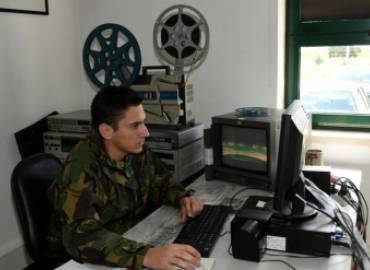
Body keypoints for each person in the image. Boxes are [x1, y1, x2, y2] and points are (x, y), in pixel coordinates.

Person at [47, 86, 204, 270]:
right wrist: (147, 255)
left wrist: (182, 197)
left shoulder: (135, 151)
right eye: (135, 125)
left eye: (144, 123)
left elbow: (159, 182)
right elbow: (82, 237)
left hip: (130, 235)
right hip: (87, 257)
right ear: (106, 131)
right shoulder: (82, 169)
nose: (145, 132)